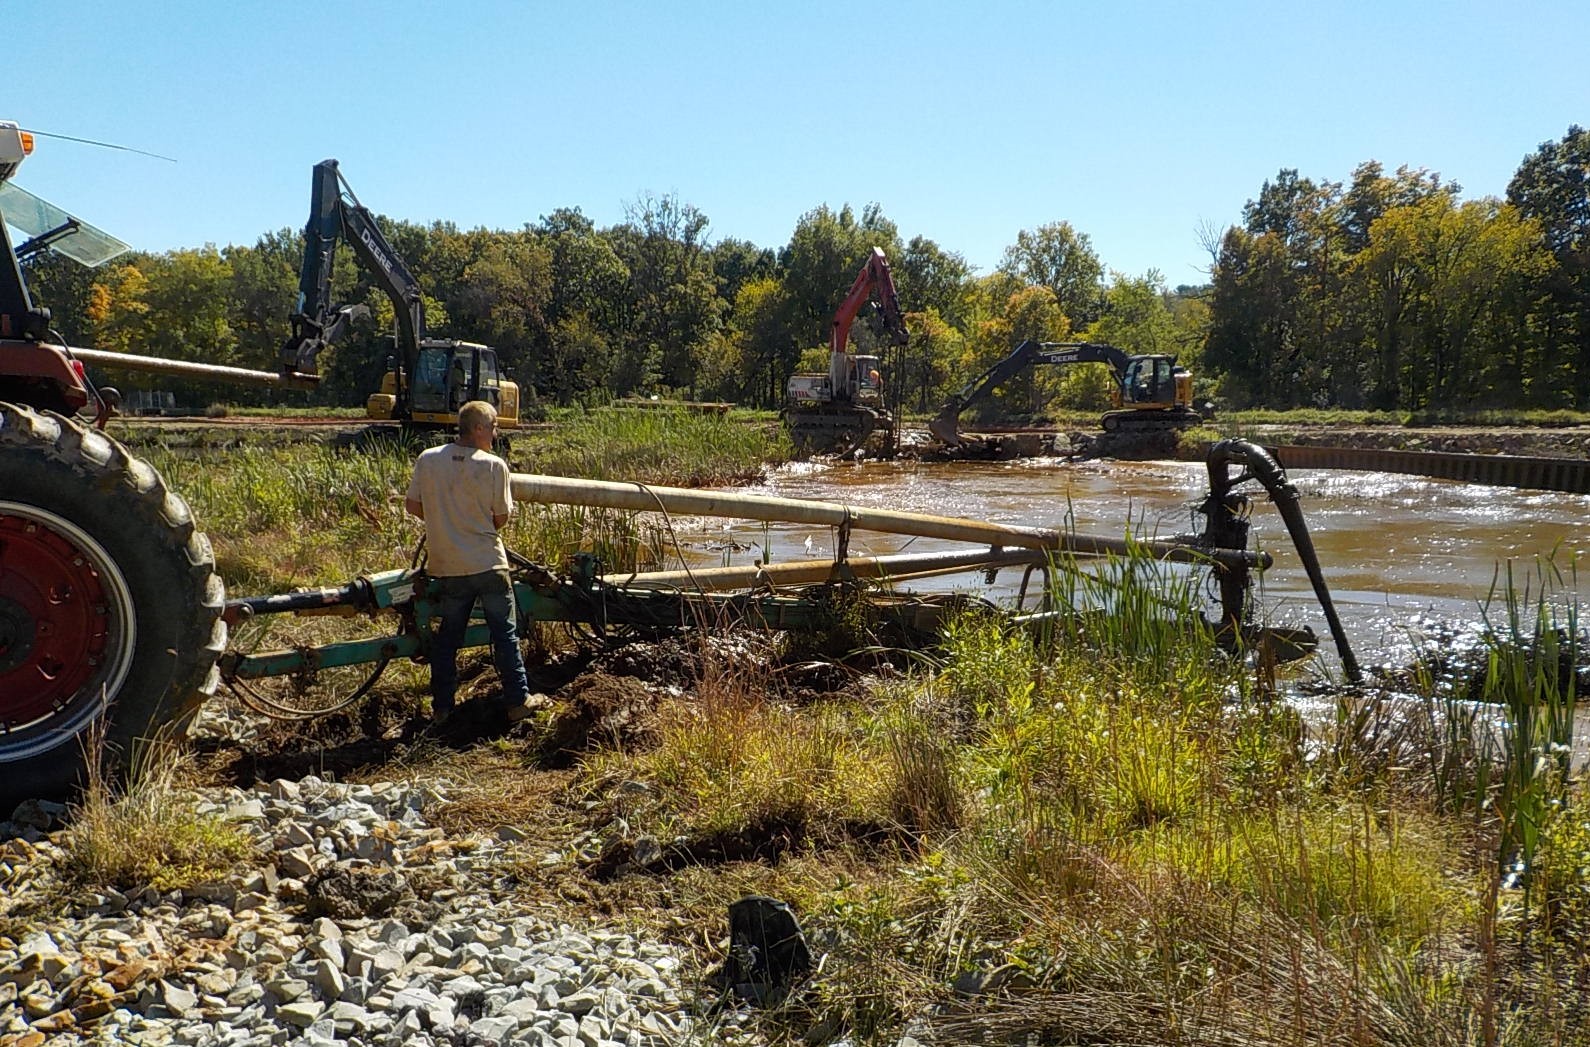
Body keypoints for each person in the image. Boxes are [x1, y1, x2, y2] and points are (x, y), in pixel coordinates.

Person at [404, 400, 531, 725]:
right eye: (492, 427)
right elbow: (500, 518)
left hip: (447, 566)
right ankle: (518, 703)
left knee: (447, 640)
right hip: (488, 563)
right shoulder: (492, 465)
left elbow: (413, 506)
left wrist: (445, 523)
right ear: (478, 429)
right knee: (505, 634)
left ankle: (443, 710)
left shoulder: (428, 459)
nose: (495, 433)